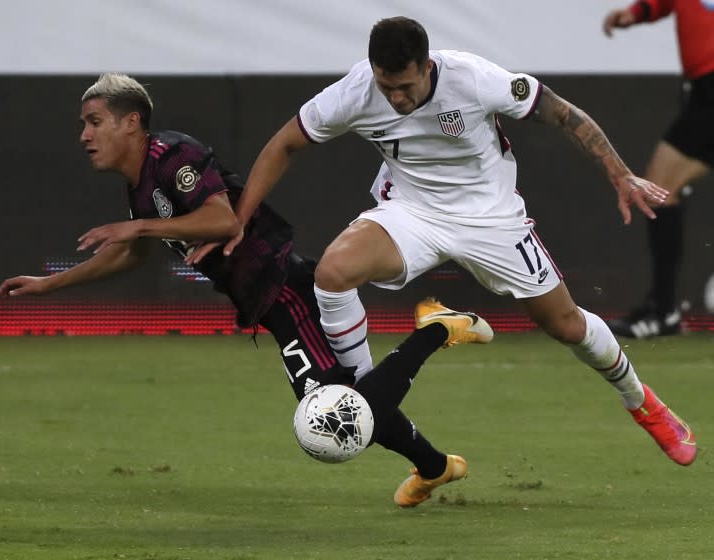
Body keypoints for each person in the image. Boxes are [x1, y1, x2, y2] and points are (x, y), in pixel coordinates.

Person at [197, 17, 698, 466]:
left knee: (566, 326)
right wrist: (240, 219)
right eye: (385, 86)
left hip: (490, 219)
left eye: (405, 86)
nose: (395, 98)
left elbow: (565, 115)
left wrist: (621, 174)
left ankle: (642, 402)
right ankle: (365, 397)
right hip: (412, 212)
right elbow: (285, 141)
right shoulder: (355, 91)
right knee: (332, 273)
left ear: (427, 66)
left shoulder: (473, 78)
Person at [0, 72, 496, 507]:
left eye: (94, 121)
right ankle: (434, 467)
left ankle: (435, 332)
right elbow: (129, 254)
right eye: (84, 123)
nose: (84, 134)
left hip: (287, 290)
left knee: (335, 416)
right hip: (270, 303)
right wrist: (50, 284)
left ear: (131, 122)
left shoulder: (172, 155)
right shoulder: (141, 186)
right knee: (350, 406)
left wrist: (138, 228)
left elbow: (220, 217)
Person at [602, 1, 714, 338]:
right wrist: (638, 13)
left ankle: (663, 310)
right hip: (702, 92)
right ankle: (662, 309)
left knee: (660, 188)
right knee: (662, 188)